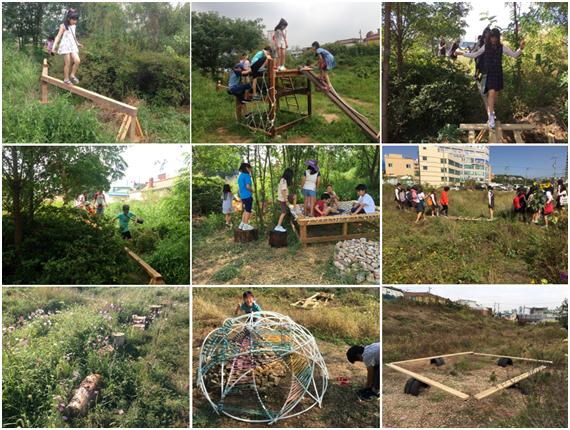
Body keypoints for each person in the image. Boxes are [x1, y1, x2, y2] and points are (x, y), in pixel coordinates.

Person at [457, 28, 525, 129]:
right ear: (489, 37)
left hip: (498, 74)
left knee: (494, 97)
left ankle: (491, 111)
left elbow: (514, 55)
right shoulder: (486, 46)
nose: (493, 39)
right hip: (489, 74)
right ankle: (491, 117)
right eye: (492, 37)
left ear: (498, 38)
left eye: (495, 37)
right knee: (491, 93)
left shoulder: (502, 47)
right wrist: (463, 53)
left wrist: (521, 48)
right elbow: (475, 54)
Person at [52, 8, 83, 85]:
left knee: (77, 61)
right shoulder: (63, 26)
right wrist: (53, 47)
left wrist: (77, 43)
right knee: (67, 63)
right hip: (65, 45)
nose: (75, 21)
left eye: (76, 20)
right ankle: (66, 79)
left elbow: (73, 36)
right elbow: (58, 36)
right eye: (73, 20)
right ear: (69, 18)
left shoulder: (74, 26)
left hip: (72, 45)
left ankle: (72, 75)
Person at [237, 163, 255, 231]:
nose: (251, 169)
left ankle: (242, 224)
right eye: (250, 168)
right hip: (247, 196)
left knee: (245, 210)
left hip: (242, 196)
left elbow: (239, 187)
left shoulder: (240, 176)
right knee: (248, 210)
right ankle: (246, 225)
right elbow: (248, 186)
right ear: (247, 168)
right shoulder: (247, 176)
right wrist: (252, 190)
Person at [275, 168, 293, 232]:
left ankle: (293, 209)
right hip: (283, 199)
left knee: (294, 196)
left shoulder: (283, 180)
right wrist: (287, 201)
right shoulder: (284, 181)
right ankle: (278, 226)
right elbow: (283, 191)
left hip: (283, 198)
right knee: (283, 212)